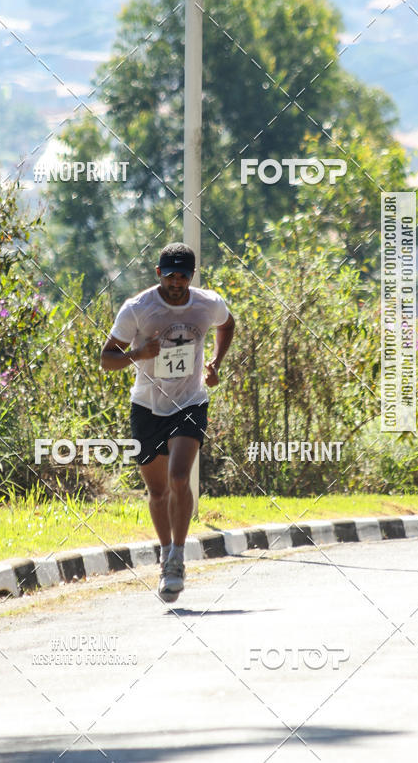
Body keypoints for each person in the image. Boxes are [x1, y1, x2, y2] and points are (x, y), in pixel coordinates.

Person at [100, 243, 235, 601]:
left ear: (193, 276)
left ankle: (177, 557)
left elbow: (228, 323)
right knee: (158, 492)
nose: (177, 282)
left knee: (179, 477)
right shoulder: (138, 309)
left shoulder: (207, 303)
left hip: (190, 402)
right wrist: (137, 354)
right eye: (171, 275)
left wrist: (216, 364)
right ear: (158, 273)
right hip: (147, 406)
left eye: (184, 276)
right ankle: (165, 555)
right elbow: (106, 359)